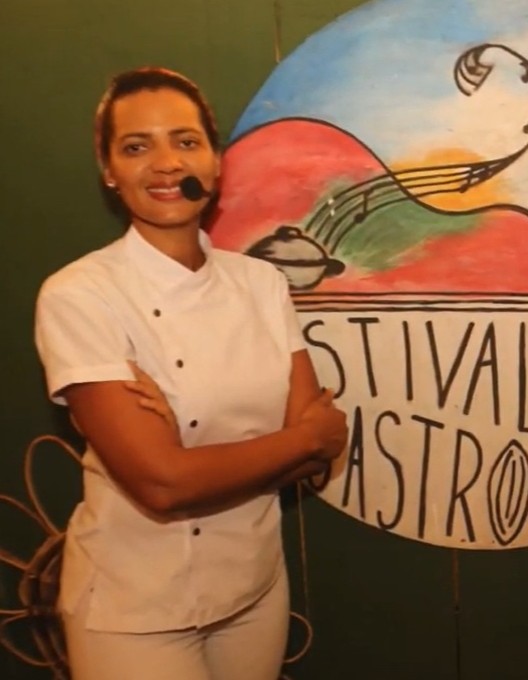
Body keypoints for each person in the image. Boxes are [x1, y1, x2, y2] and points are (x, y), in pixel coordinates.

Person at [33, 66, 348, 680]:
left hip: (254, 589)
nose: (166, 163)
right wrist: (302, 438)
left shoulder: (262, 282)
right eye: (136, 147)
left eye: (185, 141)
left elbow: (313, 458)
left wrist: (190, 452)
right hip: (134, 607)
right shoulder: (79, 294)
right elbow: (162, 485)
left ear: (215, 160)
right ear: (108, 170)